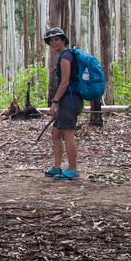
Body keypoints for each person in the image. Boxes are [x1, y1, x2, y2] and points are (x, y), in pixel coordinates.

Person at [43, 27, 82, 180]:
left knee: (68, 134)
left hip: (70, 100)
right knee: (56, 133)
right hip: (66, 99)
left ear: (64, 40)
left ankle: (73, 170)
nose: (54, 42)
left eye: (57, 39)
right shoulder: (64, 56)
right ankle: (57, 167)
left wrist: (56, 101)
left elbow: (65, 82)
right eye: (51, 40)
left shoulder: (66, 56)